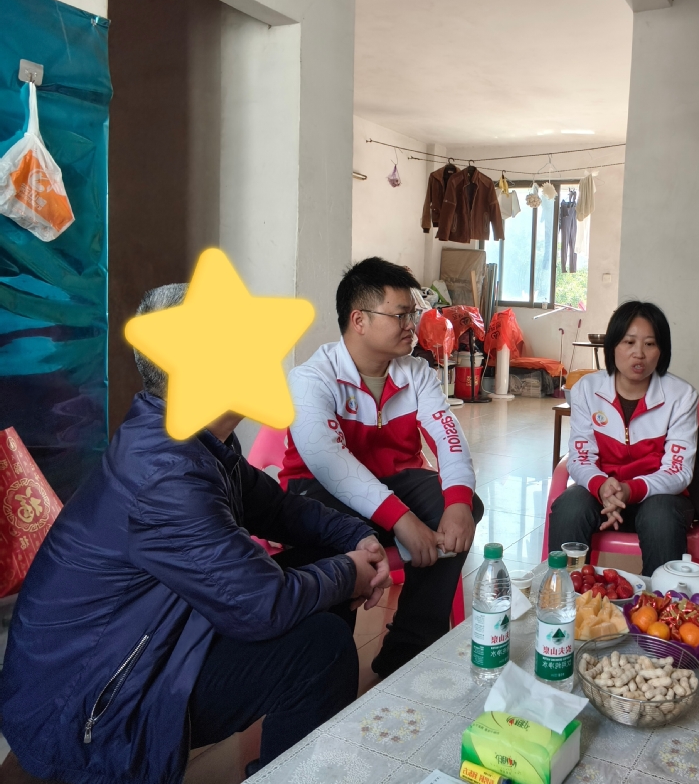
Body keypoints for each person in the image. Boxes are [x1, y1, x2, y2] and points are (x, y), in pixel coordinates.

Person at [0, 284, 391, 784]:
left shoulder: (196, 441)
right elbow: (262, 604)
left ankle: (281, 758)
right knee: (322, 649)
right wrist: (349, 574)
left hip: (148, 640)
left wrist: (357, 539)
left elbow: (278, 509)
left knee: (321, 564)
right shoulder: (166, 472)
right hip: (85, 708)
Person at [280, 257, 483, 678]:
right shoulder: (311, 378)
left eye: (413, 314)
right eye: (400, 315)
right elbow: (332, 466)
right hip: (319, 491)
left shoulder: (417, 374)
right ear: (359, 320)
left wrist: (459, 502)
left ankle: (409, 651)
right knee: (344, 534)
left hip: (395, 481)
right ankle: (329, 667)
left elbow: (448, 437)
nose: (412, 325)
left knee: (459, 508)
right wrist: (402, 522)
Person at [547, 301, 699, 576]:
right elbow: (580, 457)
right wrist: (601, 486)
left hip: (659, 497)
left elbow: (678, 471)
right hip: (602, 492)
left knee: (660, 518)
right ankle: (563, 592)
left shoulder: (681, 396)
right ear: (612, 346)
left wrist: (629, 489)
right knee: (570, 507)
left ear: (662, 350)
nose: (639, 354)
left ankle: (658, 600)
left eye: (650, 344)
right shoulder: (587, 389)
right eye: (629, 342)